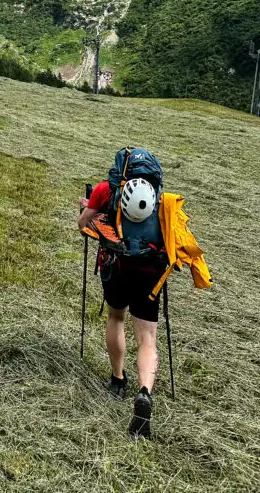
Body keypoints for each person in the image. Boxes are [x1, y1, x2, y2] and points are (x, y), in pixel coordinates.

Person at [78, 173, 163, 439]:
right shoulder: (162, 198)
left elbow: (83, 225)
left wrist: (87, 208)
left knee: (116, 318)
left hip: (116, 269)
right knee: (147, 337)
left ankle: (117, 380)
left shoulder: (105, 189)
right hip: (151, 272)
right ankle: (144, 392)